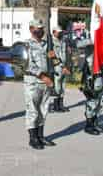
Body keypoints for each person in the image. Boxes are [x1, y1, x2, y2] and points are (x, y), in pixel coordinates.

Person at [24, 19, 55, 150]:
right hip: (33, 82)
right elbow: (27, 64)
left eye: (42, 29)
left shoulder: (46, 44)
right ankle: (33, 138)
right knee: (33, 110)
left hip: (46, 81)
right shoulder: (26, 45)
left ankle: (41, 136)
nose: (40, 31)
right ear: (31, 29)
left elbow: (53, 60)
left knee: (43, 110)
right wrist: (42, 76)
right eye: (37, 28)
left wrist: (55, 61)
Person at [78, 39, 103, 135]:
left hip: (100, 78)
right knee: (91, 102)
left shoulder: (98, 51)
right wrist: (91, 42)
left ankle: (95, 123)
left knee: (99, 101)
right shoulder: (87, 52)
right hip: (90, 79)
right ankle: (89, 125)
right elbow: (79, 45)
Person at [51, 26, 70, 112]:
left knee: (63, 86)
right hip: (57, 67)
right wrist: (63, 66)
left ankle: (61, 105)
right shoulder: (51, 42)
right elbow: (53, 56)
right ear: (54, 32)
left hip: (64, 66)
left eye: (60, 32)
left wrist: (67, 66)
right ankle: (56, 106)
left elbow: (66, 53)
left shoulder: (63, 41)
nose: (60, 33)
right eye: (58, 32)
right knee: (57, 87)